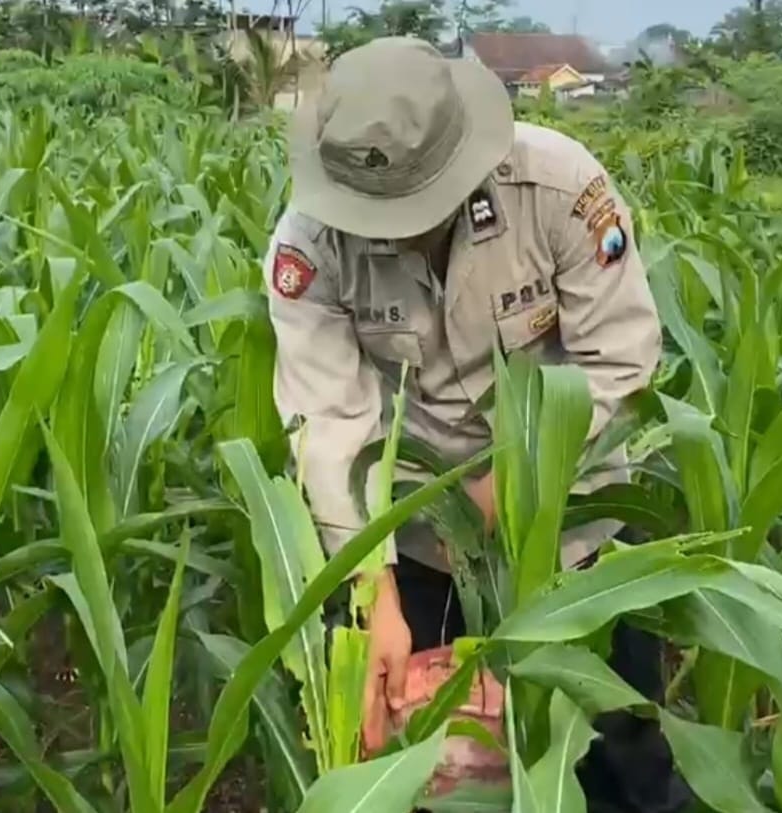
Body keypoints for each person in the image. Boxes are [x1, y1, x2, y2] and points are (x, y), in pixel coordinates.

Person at [265, 36, 692, 813]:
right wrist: (373, 595)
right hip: (421, 547)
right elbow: (326, 420)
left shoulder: (560, 188)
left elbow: (621, 361)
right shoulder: (309, 247)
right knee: (447, 769)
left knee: (625, 757)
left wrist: (511, 480)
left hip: (576, 529)